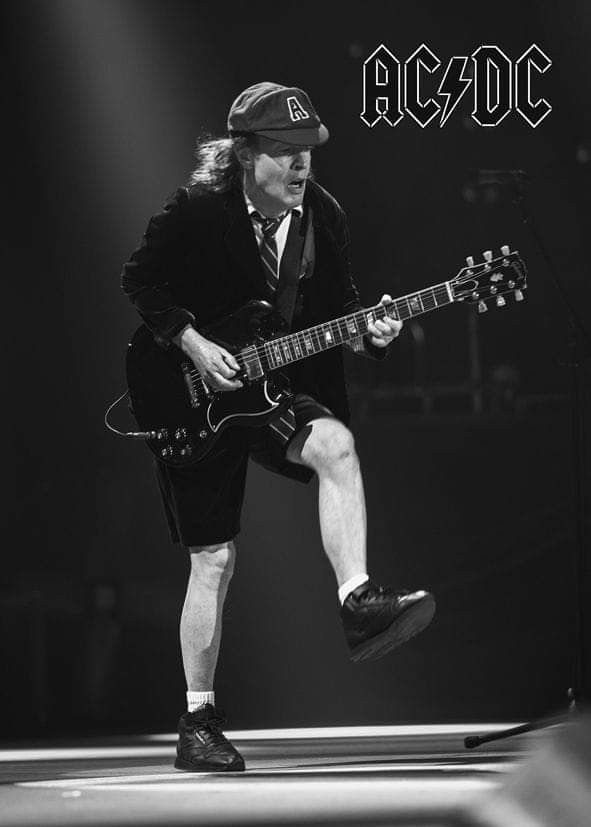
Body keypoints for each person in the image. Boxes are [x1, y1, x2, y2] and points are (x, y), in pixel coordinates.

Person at [121, 82, 435, 773]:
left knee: (336, 444)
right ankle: (198, 720)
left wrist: (373, 332)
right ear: (245, 155)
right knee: (214, 559)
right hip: (187, 395)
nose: (300, 168)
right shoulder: (199, 210)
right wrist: (197, 346)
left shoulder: (323, 214)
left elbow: (344, 305)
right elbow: (139, 279)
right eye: (285, 153)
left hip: (269, 389)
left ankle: (358, 599)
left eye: (307, 154)